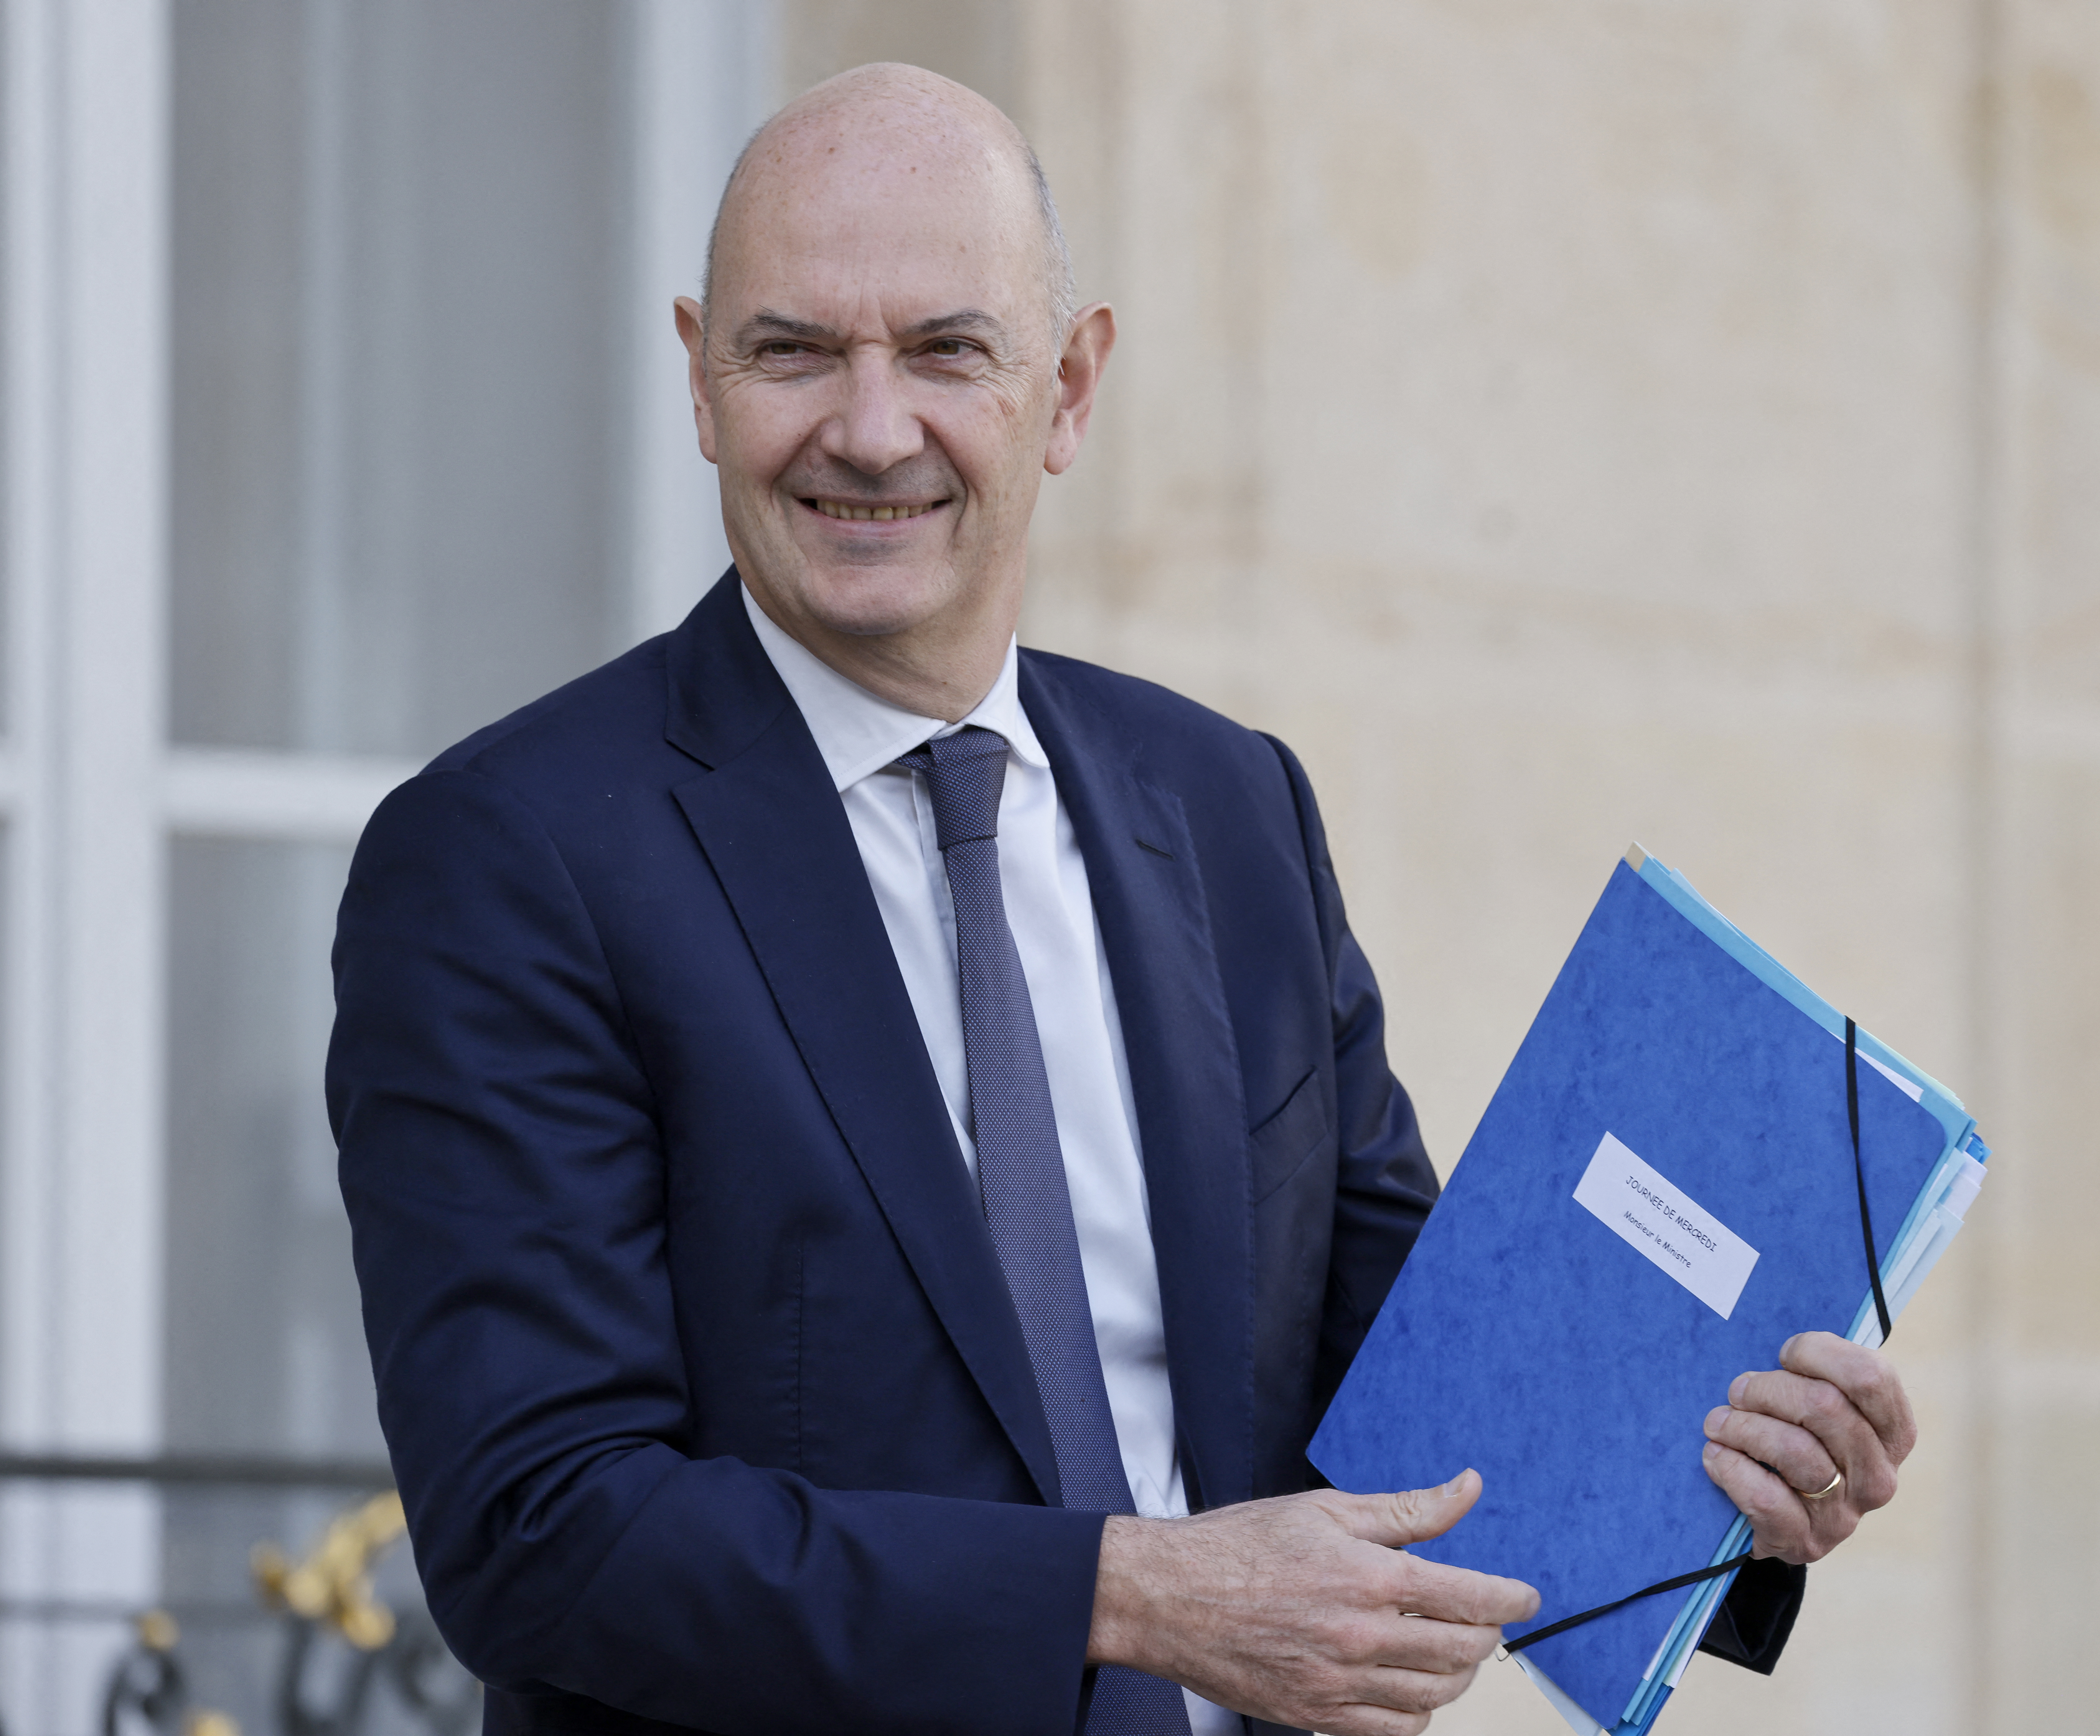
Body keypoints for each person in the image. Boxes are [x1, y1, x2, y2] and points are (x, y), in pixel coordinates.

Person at [328, 63, 1918, 1736]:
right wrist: (1135, 1595)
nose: (871, 431)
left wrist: (1732, 1489)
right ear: (702, 381)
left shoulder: (1228, 809)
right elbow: (542, 1535)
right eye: (793, 350)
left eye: (949, 350)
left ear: (1070, 388)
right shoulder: (511, 858)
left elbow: (1425, 1396)